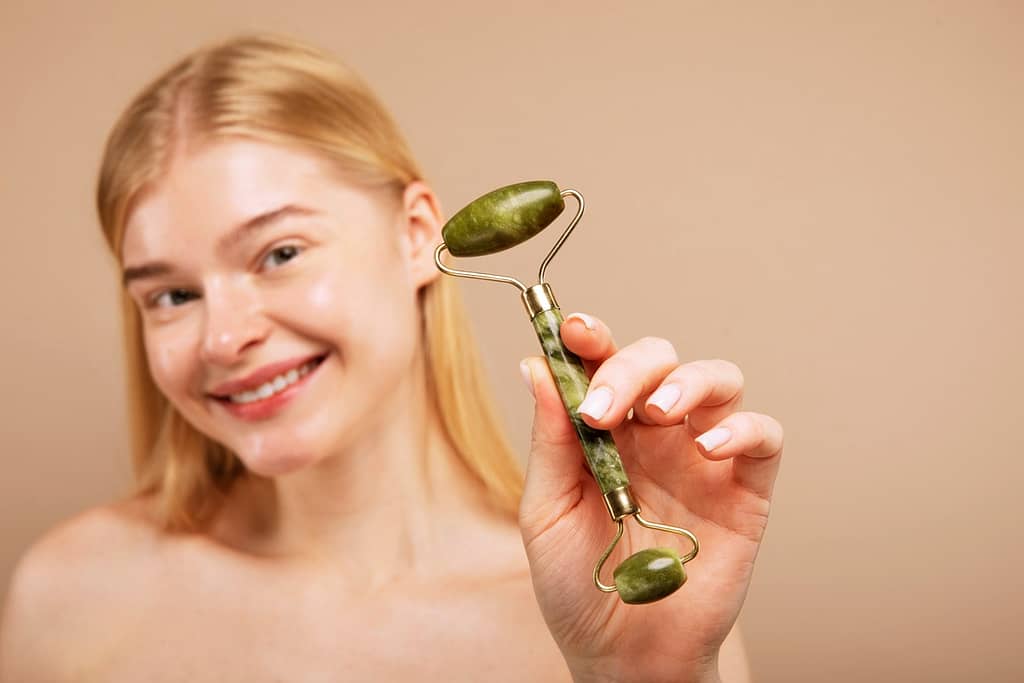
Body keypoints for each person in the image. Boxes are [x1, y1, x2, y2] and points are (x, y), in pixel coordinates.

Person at [0, 34, 783, 682]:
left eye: (279, 252)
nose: (222, 337)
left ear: (417, 236)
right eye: (170, 295)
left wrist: (644, 677)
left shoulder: (617, 605)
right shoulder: (69, 595)